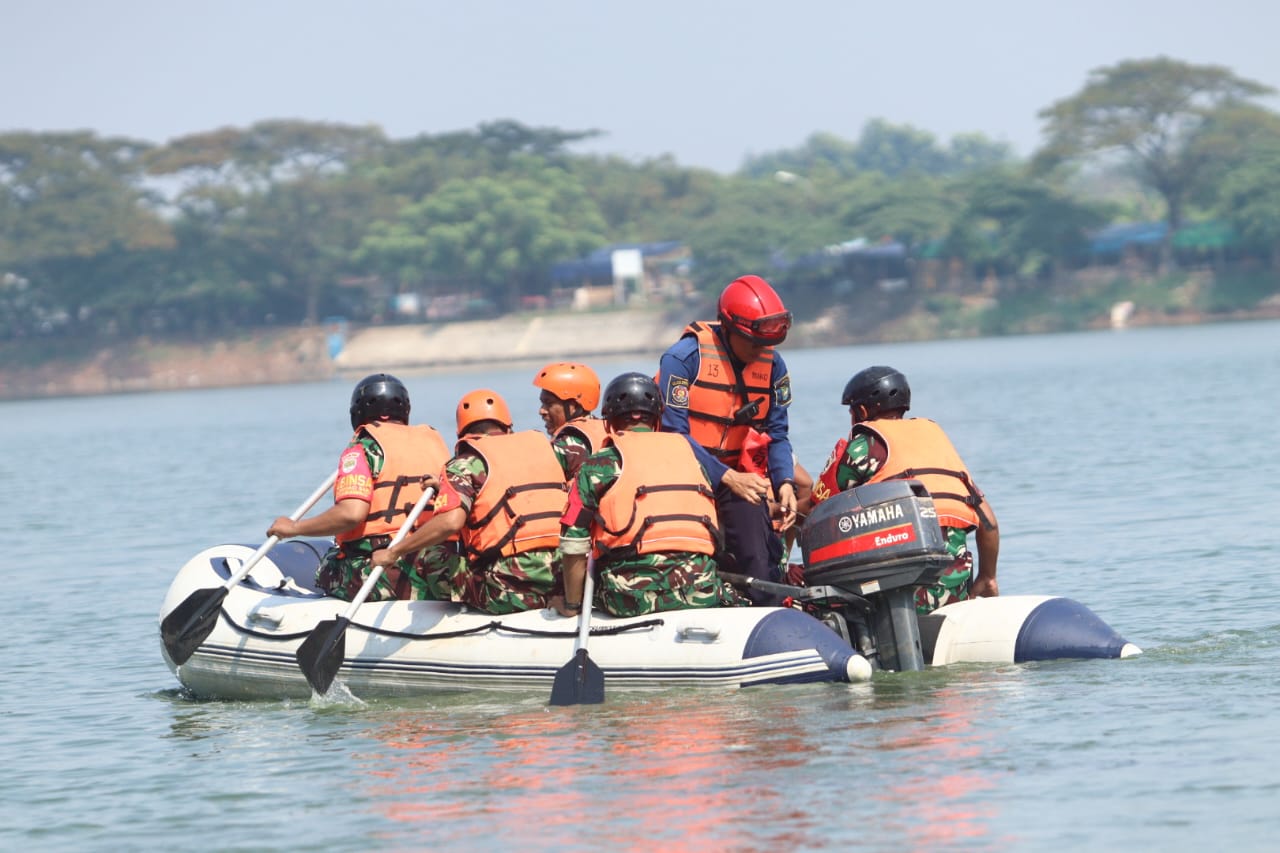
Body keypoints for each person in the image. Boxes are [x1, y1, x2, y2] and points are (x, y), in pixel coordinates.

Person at [811, 365, 1000, 613]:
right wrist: (988, 577)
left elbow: (819, 509)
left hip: (901, 591)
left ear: (862, 411)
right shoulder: (936, 440)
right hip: (956, 590)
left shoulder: (864, 446)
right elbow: (989, 521)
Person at [556, 372, 744, 618]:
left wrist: (571, 605)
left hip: (628, 599)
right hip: (701, 590)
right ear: (657, 418)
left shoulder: (598, 464)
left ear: (609, 421)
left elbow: (573, 542)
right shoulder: (692, 459)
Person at [658, 274, 797, 604]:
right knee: (743, 504)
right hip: (684, 470)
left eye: (766, 344)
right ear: (729, 328)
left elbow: (778, 433)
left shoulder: (774, 366)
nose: (760, 351)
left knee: (762, 548)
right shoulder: (683, 359)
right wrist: (728, 477)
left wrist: (785, 483)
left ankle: (769, 603)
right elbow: (674, 435)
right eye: (753, 343)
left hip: (739, 475)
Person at [370, 389, 564, 614]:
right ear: (508, 427)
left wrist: (394, 552)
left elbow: (450, 522)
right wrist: (444, 488)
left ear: (461, 433)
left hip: (508, 591)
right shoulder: (546, 451)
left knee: (432, 555)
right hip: (561, 581)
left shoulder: (463, 464)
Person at [267, 373, 454, 602]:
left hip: (387, 567)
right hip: (439, 566)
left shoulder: (364, 448)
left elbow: (351, 514)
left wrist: (294, 528)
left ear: (358, 412)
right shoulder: (434, 443)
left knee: (329, 566)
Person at [532, 361, 608, 479]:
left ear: (574, 407)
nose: (541, 411)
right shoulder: (608, 430)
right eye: (542, 403)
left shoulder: (564, 446)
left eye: (549, 403)